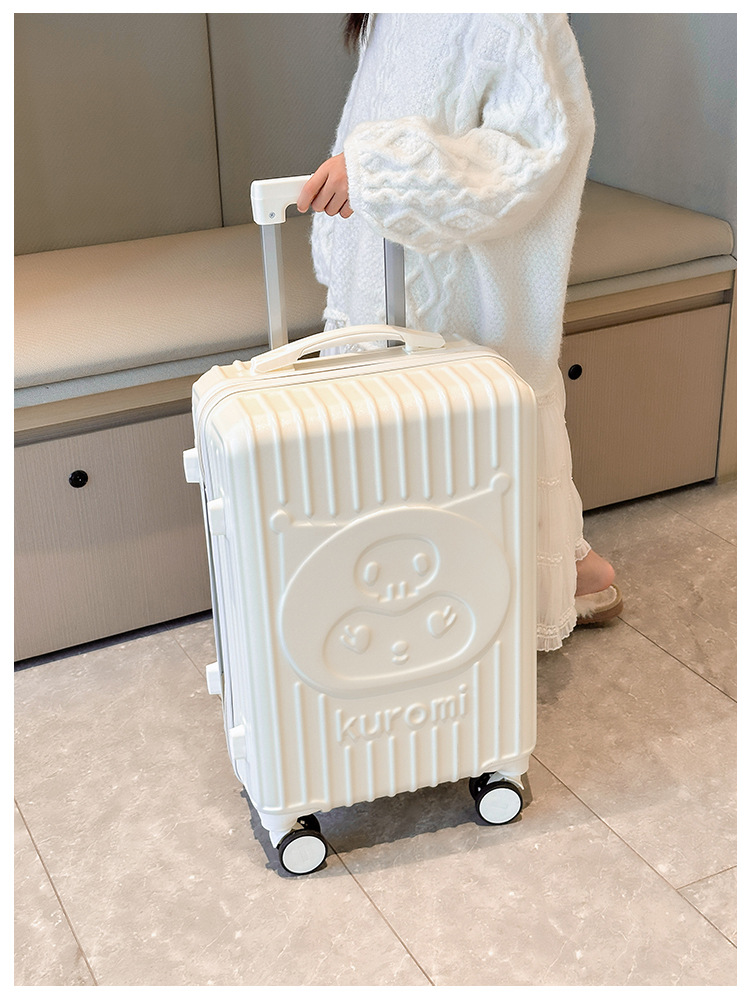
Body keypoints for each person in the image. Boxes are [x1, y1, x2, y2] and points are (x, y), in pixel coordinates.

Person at [297, 12, 622, 652]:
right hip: (389, 276)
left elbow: (540, 145)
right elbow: (377, 116)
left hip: (457, 292)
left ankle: (545, 581)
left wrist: (382, 169)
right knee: (419, 459)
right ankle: (518, 581)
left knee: (468, 446)